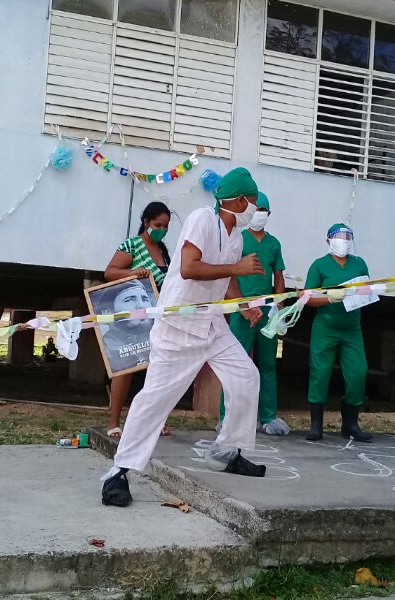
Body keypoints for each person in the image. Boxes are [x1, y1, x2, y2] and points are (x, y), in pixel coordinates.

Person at [101, 167, 268, 507]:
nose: (256, 208)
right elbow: (189, 268)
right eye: (253, 201)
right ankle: (119, 472)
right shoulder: (202, 219)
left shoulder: (235, 235)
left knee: (247, 377)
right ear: (238, 200)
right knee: (156, 400)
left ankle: (225, 451)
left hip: (211, 324)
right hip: (178, 326)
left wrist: (244, 305)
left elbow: (226, 281)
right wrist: (236, 269)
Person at [219, 192, 289, 436]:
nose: (258, 214)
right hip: (242, 309)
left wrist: (279, 305)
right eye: (255, 208)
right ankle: (226, 417)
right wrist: (240, 303)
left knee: (268, 364)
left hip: (268, 312)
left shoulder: (274, 244)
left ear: (268, 214)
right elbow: (229, 274)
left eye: (262, 210)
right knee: (234, 363)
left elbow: (278, 276)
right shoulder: (239, 239)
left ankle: (267, 416)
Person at [102, 202, 172, 438]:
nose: (161, 229)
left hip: (157, 318)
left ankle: (154, 421)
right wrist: (133, 272)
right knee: (126, 369)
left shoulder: (164, 251)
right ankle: (114, 422)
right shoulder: (131, 245)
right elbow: (110, 272)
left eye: (165, 226)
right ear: (146, 222)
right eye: (157, 225)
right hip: (131, 317)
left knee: (157, 370)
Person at [304, 223, 372, 443]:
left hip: (352, 327)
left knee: (357, 372)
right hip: (326, 326)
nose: (343, 241)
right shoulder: (319, 266)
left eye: (347, 237)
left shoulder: (359, 264)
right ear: (328, 241)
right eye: (338, 237)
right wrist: (330, 298)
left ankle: (350, 423)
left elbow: (366, 291)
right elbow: (308, 298)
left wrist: (362, 293)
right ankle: (316, 425)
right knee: (320, 372)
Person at [95, 279, 157, 373]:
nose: (141, 306)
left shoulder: (158, 338)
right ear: (107, 313)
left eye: (145, 299)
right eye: (129, 300)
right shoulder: (107, 348)